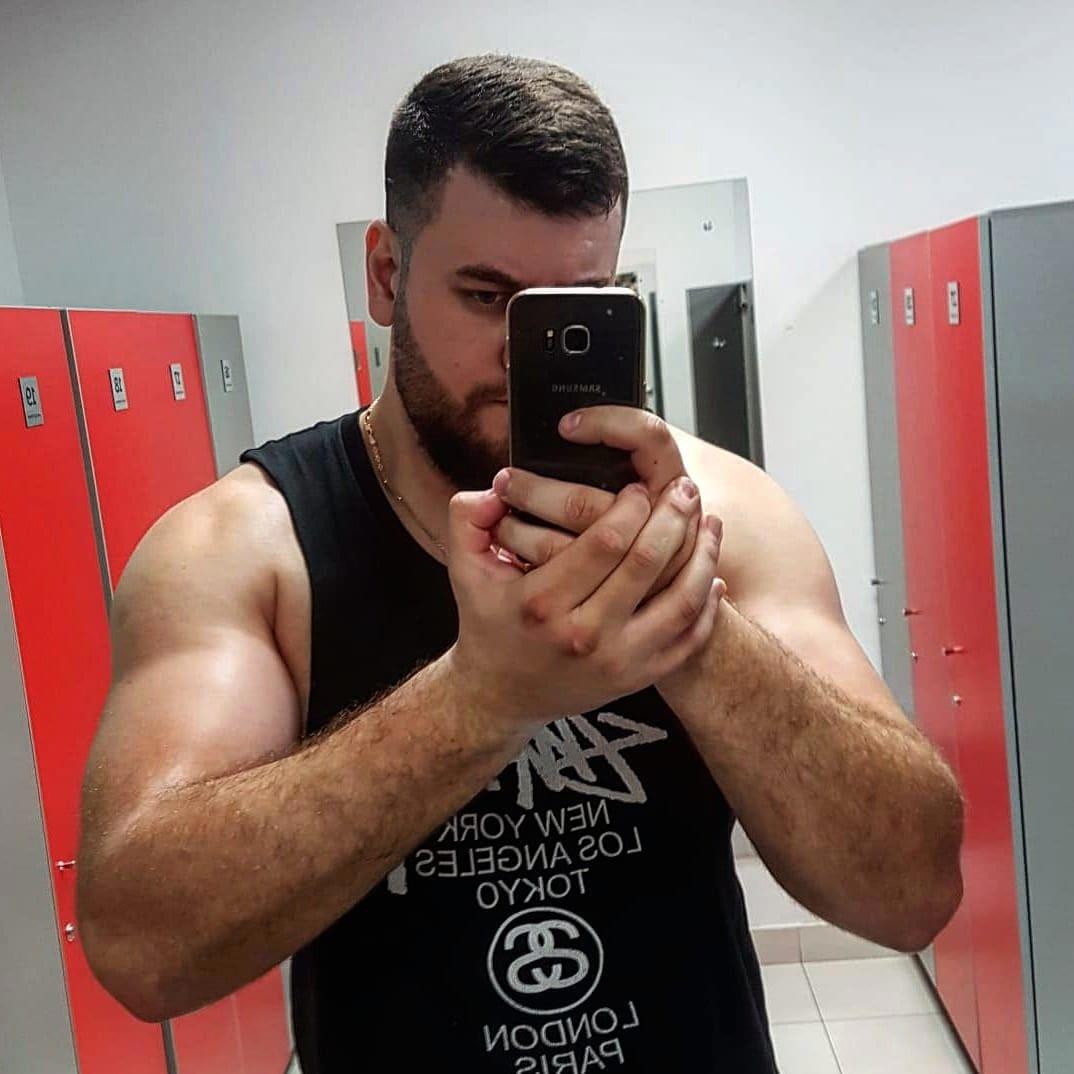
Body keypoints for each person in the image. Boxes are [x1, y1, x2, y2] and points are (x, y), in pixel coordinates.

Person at [76, 54, 964, 1074]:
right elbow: (141, 946)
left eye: (575, 305)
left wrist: (694, 631)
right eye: (487, 295)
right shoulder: (246, 551)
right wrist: (480, 699)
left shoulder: (725, 517)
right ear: (385, 275)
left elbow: (913, 891)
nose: (522, 353)